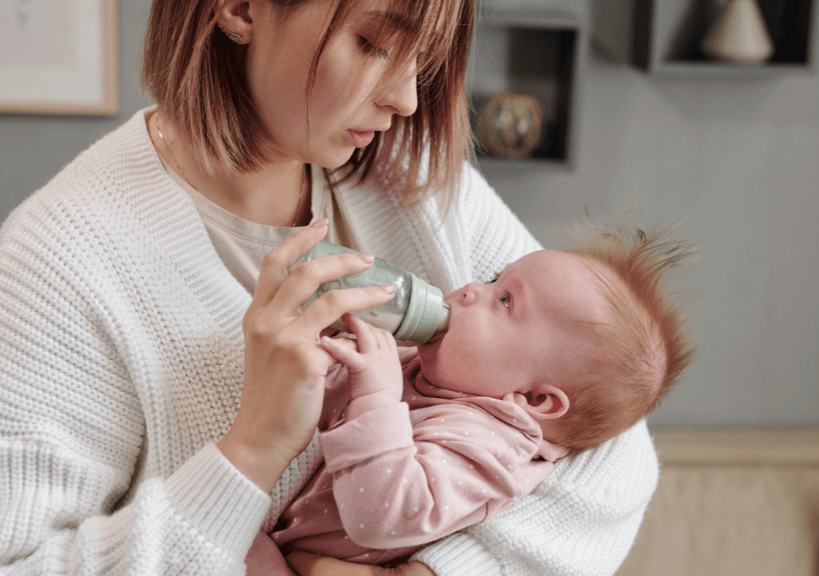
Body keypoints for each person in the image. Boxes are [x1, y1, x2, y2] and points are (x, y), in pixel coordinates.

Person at [0, 0, 661, 575]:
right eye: (374, 43)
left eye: (423, 55)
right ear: (239, 7)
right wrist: (252, 448)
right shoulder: (59, 261)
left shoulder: (410, 174)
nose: (406, 98)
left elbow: (610, 439)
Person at [244, 223, 695, 575]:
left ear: (535, 398)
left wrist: (377, 397)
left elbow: (383, 516)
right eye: (493, 278)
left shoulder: (490, 442)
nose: (469, 290)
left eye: (503, 301)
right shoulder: (428, 367)